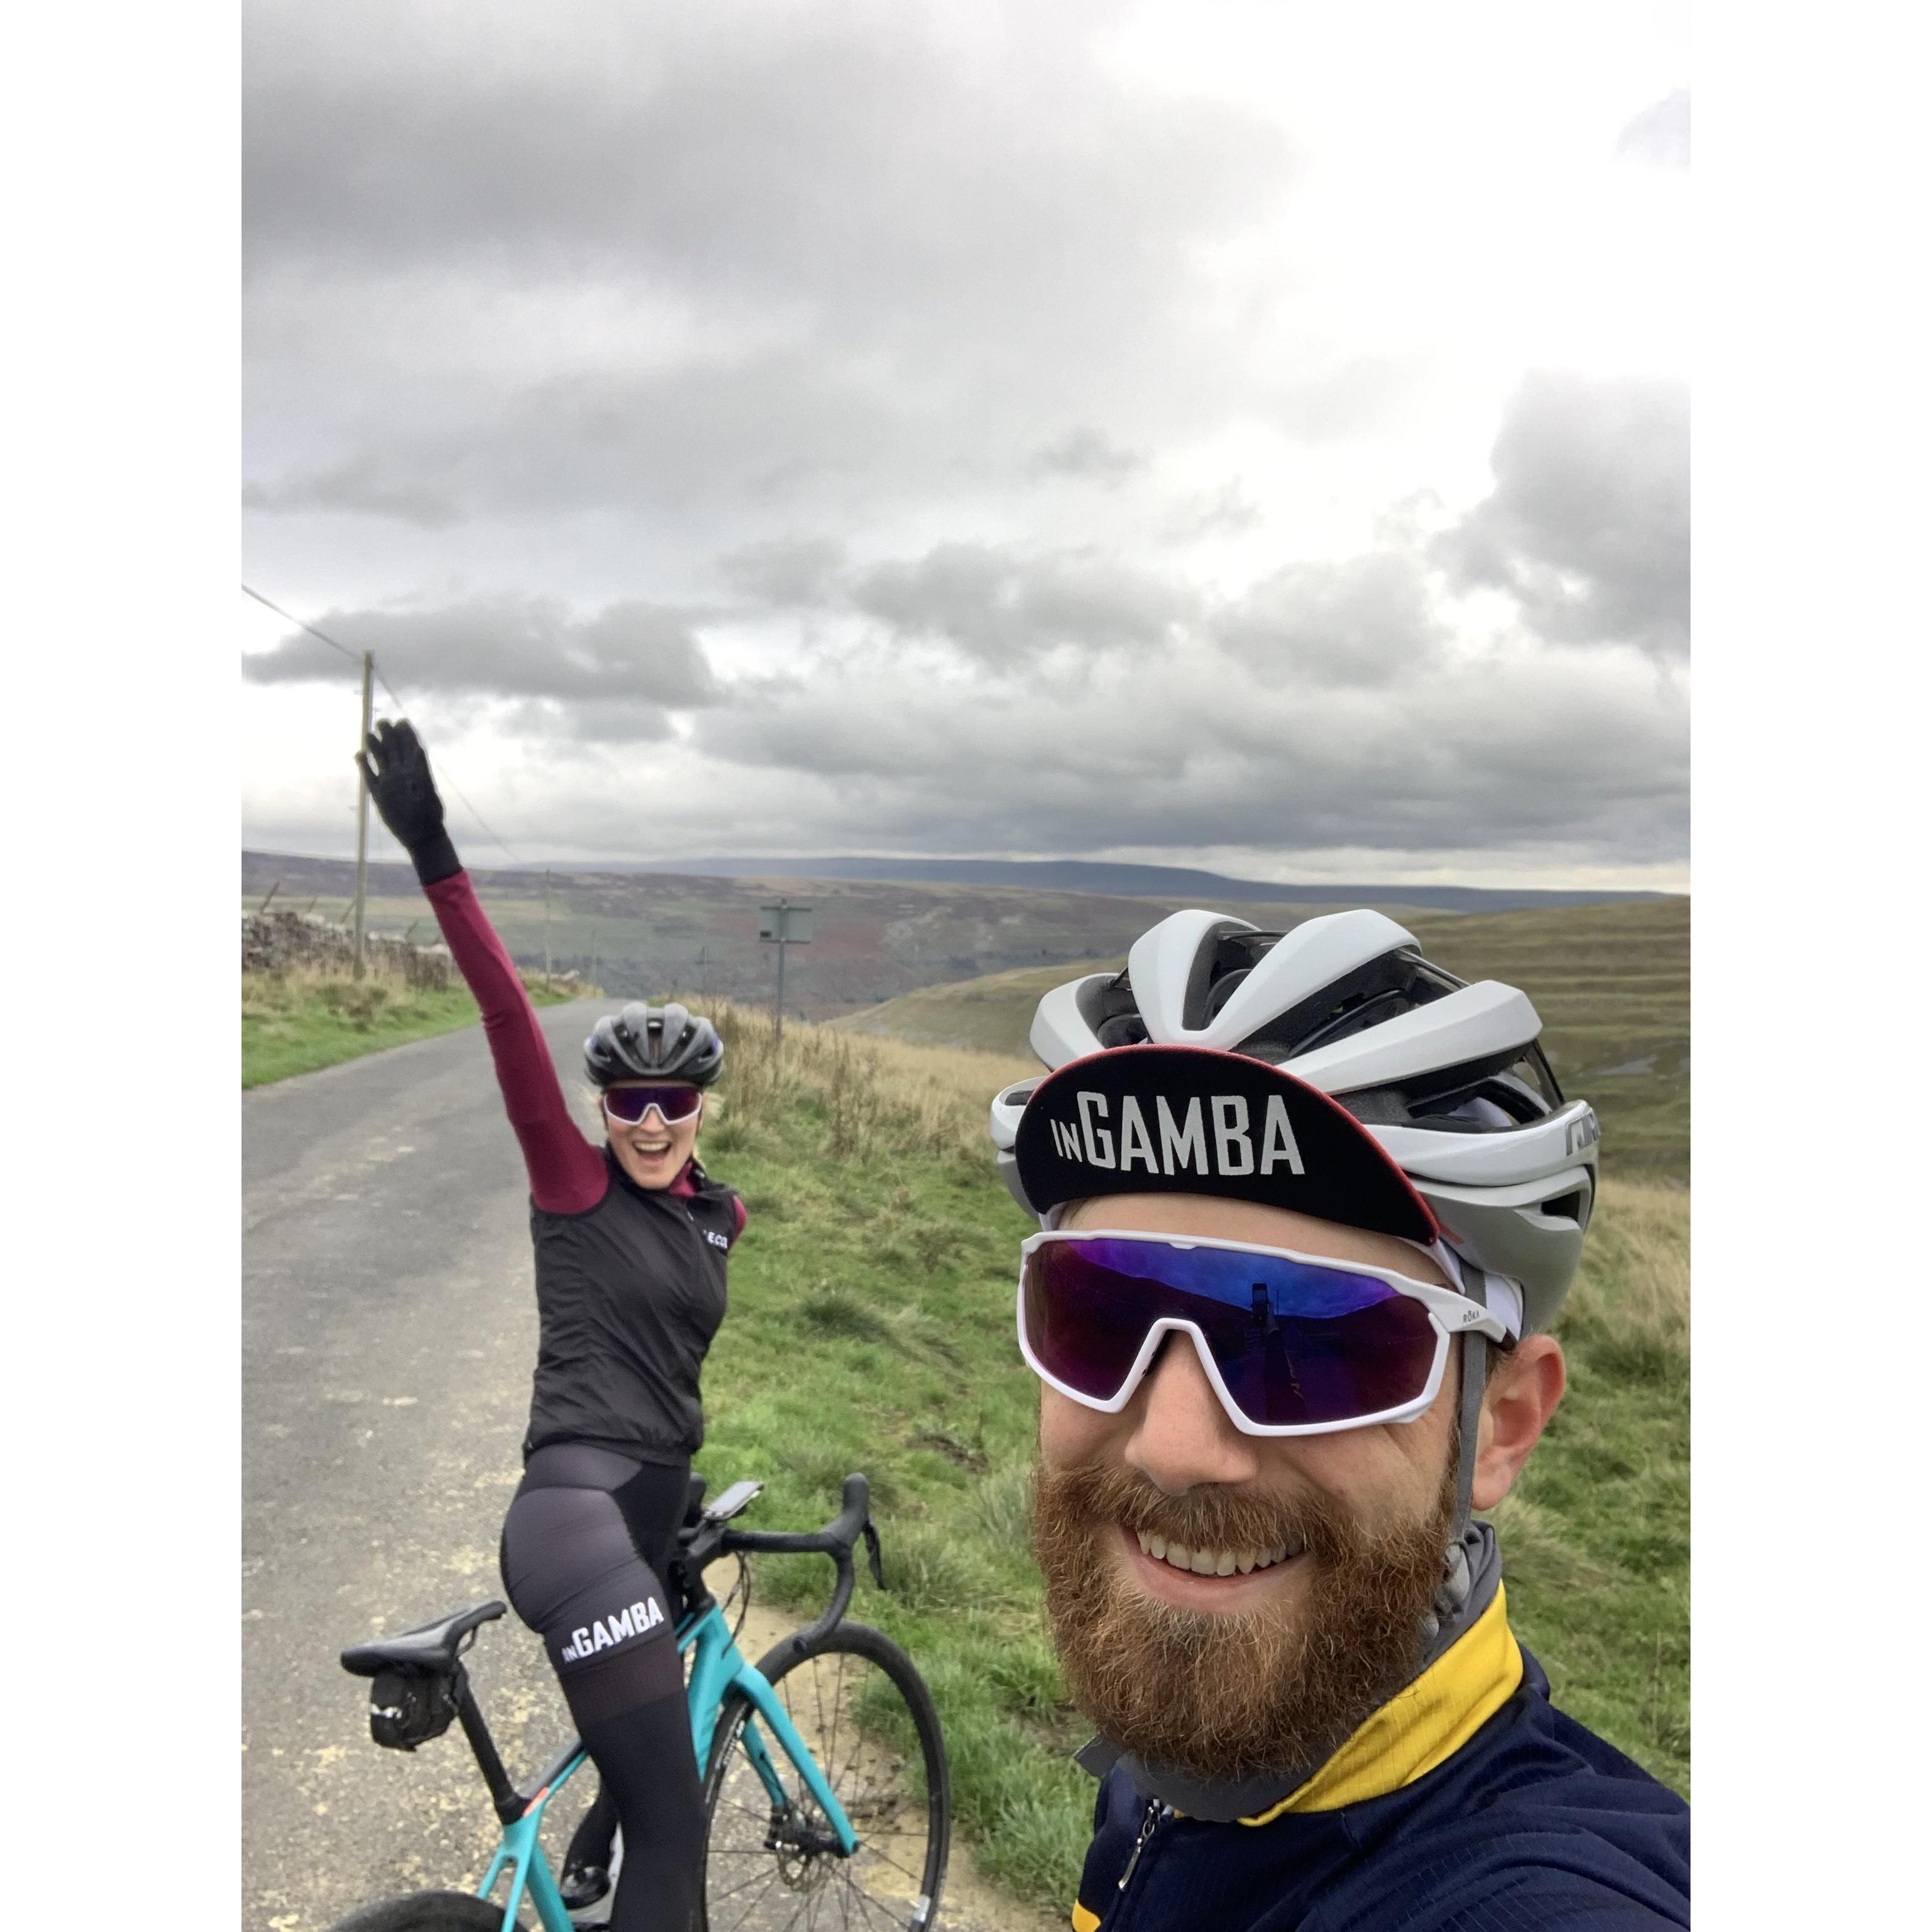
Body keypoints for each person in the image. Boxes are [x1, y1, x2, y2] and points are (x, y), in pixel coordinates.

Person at [987, 908, 1690, 1930]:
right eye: (1104, 1311)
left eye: (1313, 1341)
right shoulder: (1191, 1771)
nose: (1177, 1446)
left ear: (1500, 1424)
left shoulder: (1543, 1897)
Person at [360, 718, 743, 1932]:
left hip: (641, 1519)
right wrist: (432, 849)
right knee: (675, 1838)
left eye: (668, 1099)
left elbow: (668, 1360)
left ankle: (578, 1864)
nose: (645, 1119)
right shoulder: (572, 1184)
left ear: (696, 1106)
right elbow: (506, 1016)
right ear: (599, 1105)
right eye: (625, 1099)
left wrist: (680, 1502)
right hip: (572, 1523)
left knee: (635, 1787)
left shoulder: (717, 1216)